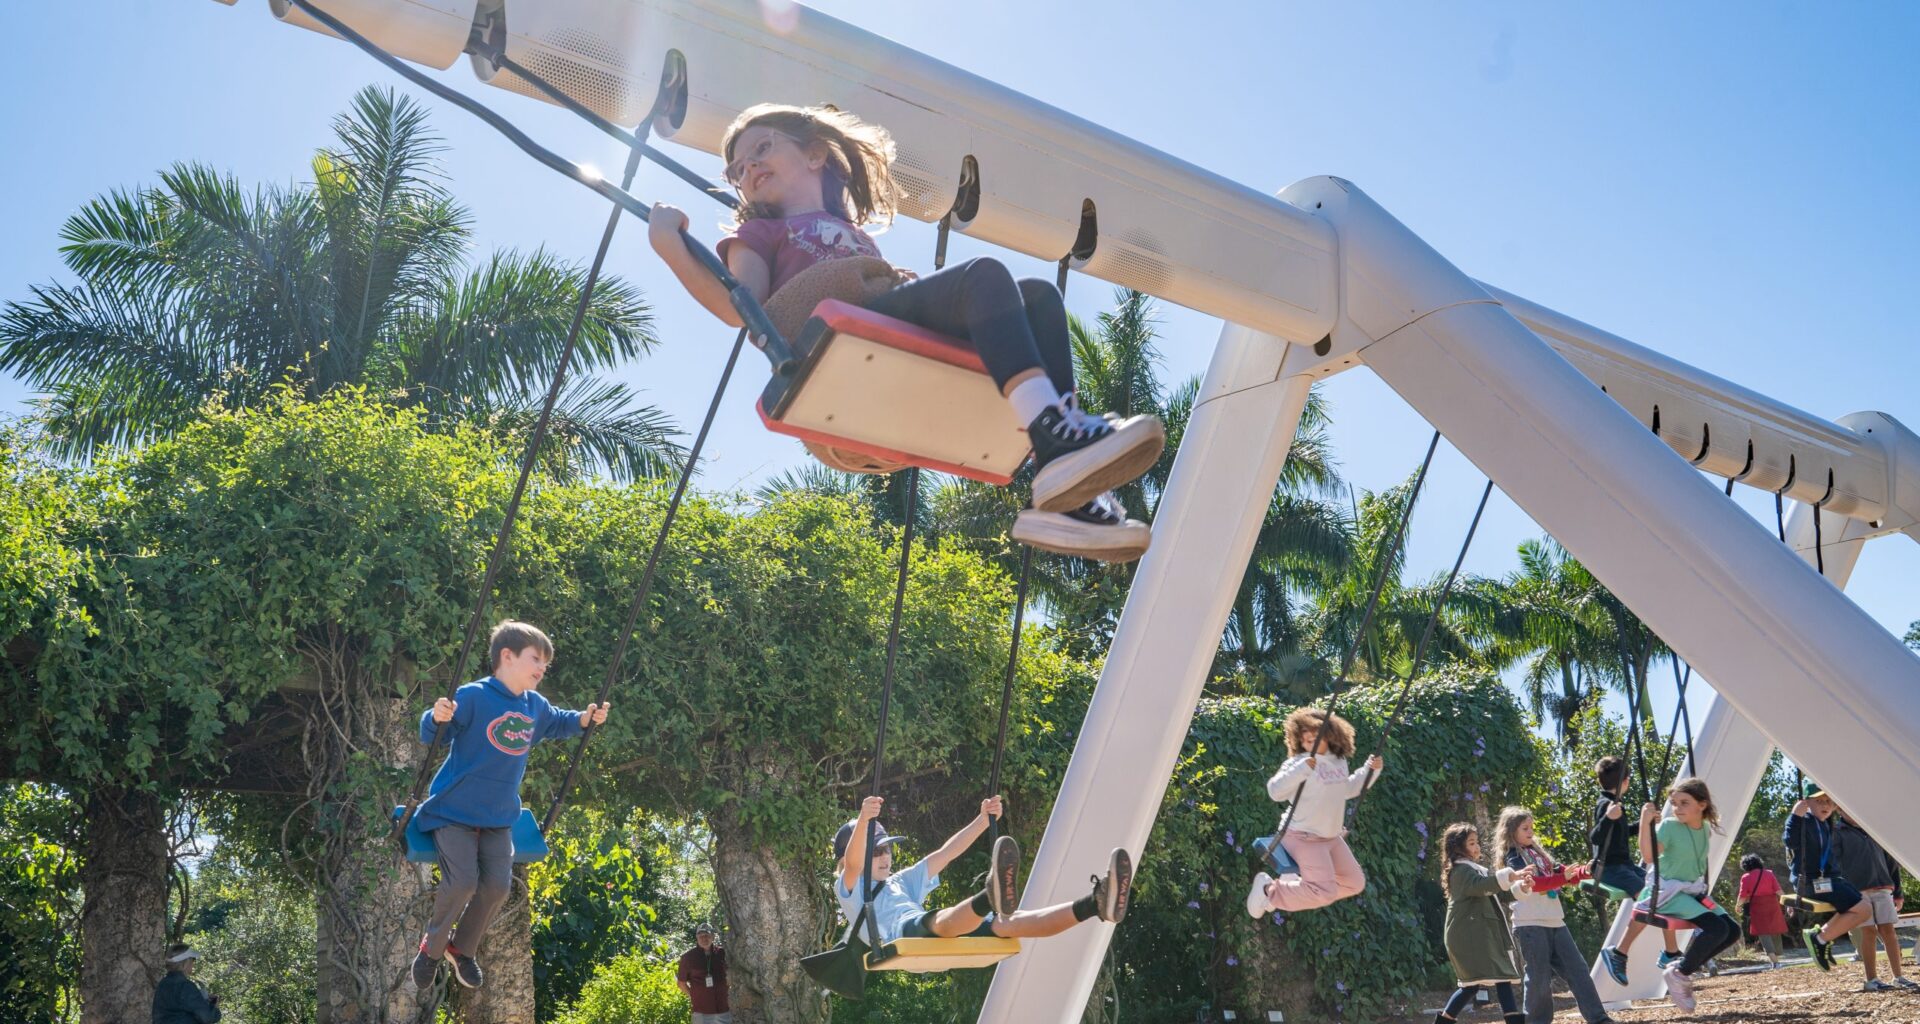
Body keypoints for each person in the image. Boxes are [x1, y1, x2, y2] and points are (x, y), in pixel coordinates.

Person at [648, 103, 1163, 562]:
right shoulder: (760, 232)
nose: (750, 167)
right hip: (835, 361)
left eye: (762, 148)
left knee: (1039, 296)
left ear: (816, 155)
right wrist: (669, 243)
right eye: (737, 168)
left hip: (880, 342)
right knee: (981, 275)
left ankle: (1061, 484)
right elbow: (741, 306)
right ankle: (1055, 441)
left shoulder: (852, 233)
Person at [410, 621, 610, 990]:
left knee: (498, 887)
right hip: (453, 812)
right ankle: (431, 949)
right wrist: (434, 716)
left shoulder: (535, 706)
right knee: (463, 882)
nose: (541, 669)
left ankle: (462, 949)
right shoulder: (473, 696)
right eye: (536, 659)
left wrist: (585, 719)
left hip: (499, 817)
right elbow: (434, 734)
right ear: (507, 656)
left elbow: (562, 722)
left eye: (545, 664)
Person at [834, 794, 1130, 947]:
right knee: (937, 920)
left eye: (887, 849)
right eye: (876, 851)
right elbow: (854, 863)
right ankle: (990, 895)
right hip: (901, 937)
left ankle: (1096, 904)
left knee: (1011, 923)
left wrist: (982, 819)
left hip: (934, 930)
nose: (885, 856)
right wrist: (863, 820)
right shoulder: (851, 888)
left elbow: (946, 853)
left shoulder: (900, 882)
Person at [1243, 708, 1382, 918]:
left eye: (1316, 737)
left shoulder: (1338, 761)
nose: (1311, 743)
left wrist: (1371, 770)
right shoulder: (1298, 762)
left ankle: (1293, 887)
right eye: (1307, 740)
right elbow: (1275, 791)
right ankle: (1269, 891)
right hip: (1303, 836)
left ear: (1330, 735)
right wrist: (1302, 769)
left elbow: (1349, 789)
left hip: (1330, 837)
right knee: (1324, 892)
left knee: (1354, 883)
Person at [1496, 806, 1616, 1024]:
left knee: (1578, 970)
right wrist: (1564, 878)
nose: (1531, 832)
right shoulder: (1513, 857)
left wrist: (1584, 871)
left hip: (1554, 921)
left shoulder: (1539, 854)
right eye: (1525, 828)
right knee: (1539, 979)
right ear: (1511, 831)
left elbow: (1562, 873)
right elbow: (1536, 883)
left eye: (1531, 827)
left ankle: (1598, 1019)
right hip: (1530, 924)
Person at [1637, 778, 1742, 1012]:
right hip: (1669, 893)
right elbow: (1648, 857)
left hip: (1692, 891)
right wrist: (1645, 824)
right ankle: (1679, 973)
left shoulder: (1704, 827)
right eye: (1674, 803)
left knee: (1733, 931)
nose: (1677, 808)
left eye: (1684, 803)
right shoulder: (1669, 827)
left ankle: (1681, 967)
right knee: (1717, 928)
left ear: (1701, 805)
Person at [1590, 755, 1682, 984]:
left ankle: (1671, 952)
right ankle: (1619, 953)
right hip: (1609, 869)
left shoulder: (1616, 805)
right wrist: (1608, 819)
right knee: (1649, 898)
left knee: (1662, 889)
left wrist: (1646, 822)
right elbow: (1596, 837)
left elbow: (1622, 833)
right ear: (1625, 781)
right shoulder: (1606, 805)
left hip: (1625, 866)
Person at [1434, 822, 1532, 1024]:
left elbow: (1498, 893)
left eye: (1476, 842)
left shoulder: (1475, 870)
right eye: (1471, 843)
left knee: (1473, 985)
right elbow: (1481, 887)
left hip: (1477, 935)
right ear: (1458, 848)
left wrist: (1520, 886)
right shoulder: (1461, 872)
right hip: (1469, 936)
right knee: (1491, 980)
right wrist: (1509, 875)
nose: (1477, 847)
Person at [1783, 781, 1875, 973]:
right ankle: (1820, 939)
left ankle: (1821, 938)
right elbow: (1790, 840)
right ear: (1807, 803)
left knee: (1865, 906)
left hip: (1827, 880)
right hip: (1810, 883)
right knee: (1863, 909)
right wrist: (1795, 815)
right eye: (1819, 801)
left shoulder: (1825, 824)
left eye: (1829, 801)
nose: (1825, 805)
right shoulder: (1805, 821)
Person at [1831, 805, 1914, 991]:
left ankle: (1899, 976)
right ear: (1839, 811)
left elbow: (1891, 861)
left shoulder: (1875, 829)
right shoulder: (1837, 832)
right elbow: (1833, 864)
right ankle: (1872, 979)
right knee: (1867, 932)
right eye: (1845, 809)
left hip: (1883, 888)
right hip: (1856, 891)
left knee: (1889, 931)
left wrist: (1898, 892)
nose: (1851, 813)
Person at [1734, 852, 1788, 968]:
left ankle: (1774, 961)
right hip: (1773, 904)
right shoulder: (1769, 874)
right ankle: (1776, 959)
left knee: (1763, 933)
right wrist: (1788, 904)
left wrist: (1738, 906)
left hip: (1758, 906)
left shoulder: (1746, 877)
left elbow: (1742, 895)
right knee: (1775, 930)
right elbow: (1779, 891)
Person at [152, 944, 221, 1024]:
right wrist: (214, 1007)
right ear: (185, 963)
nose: (193, 963)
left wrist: (201, 999)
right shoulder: (185, 986)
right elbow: (207, 1017)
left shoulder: (163, 983)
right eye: (193, 959)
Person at [676, 924, 732, 1023]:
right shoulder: (688, 958)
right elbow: (681, 983)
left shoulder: (723, 954)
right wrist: (693, 995)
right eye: (701, 936)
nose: (704, 938)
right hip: (701, 1011)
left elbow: (732, 975)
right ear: (696, 938)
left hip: (723, 1009)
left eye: (707, 935)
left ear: (713, 937)